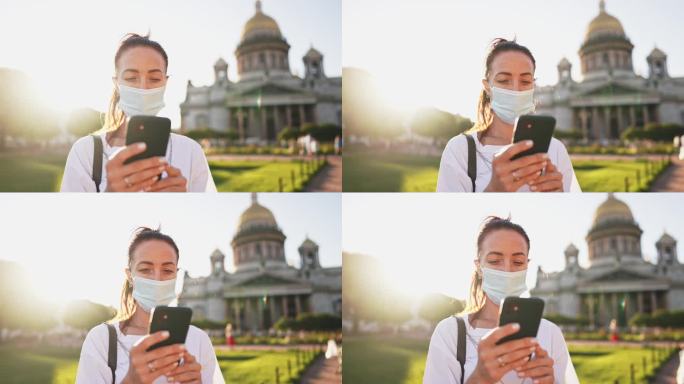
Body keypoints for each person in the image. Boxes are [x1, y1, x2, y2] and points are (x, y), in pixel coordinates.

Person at [423, 216, 579, 384]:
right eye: (495, 261)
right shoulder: (449, 332)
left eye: (518, 262)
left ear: (527, 265)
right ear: (479, 267)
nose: (507, 270)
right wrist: (479, 378)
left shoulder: (551, 333)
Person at [61, 34, 216, 192]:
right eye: (131, 78)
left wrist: (184, 203)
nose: (143, 88)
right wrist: (109, 197)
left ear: (165, 83)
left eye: (154, 79)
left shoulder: (190, 151)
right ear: (116, 83)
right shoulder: (85, 152)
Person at [76, 227, 224, 383]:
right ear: (130, 276)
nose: (157, 279)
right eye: (146, 269)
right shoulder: (101, 339)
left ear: (176, 274)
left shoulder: (198, 339)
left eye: (167, 270)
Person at [436, 38, 580, 192]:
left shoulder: (556, 149)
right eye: (504, 80)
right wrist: (493, 189)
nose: (516, 90)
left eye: (525, 81)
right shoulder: (459, 150)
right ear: (487, 87)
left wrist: (559, 196)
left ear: (533, 85)